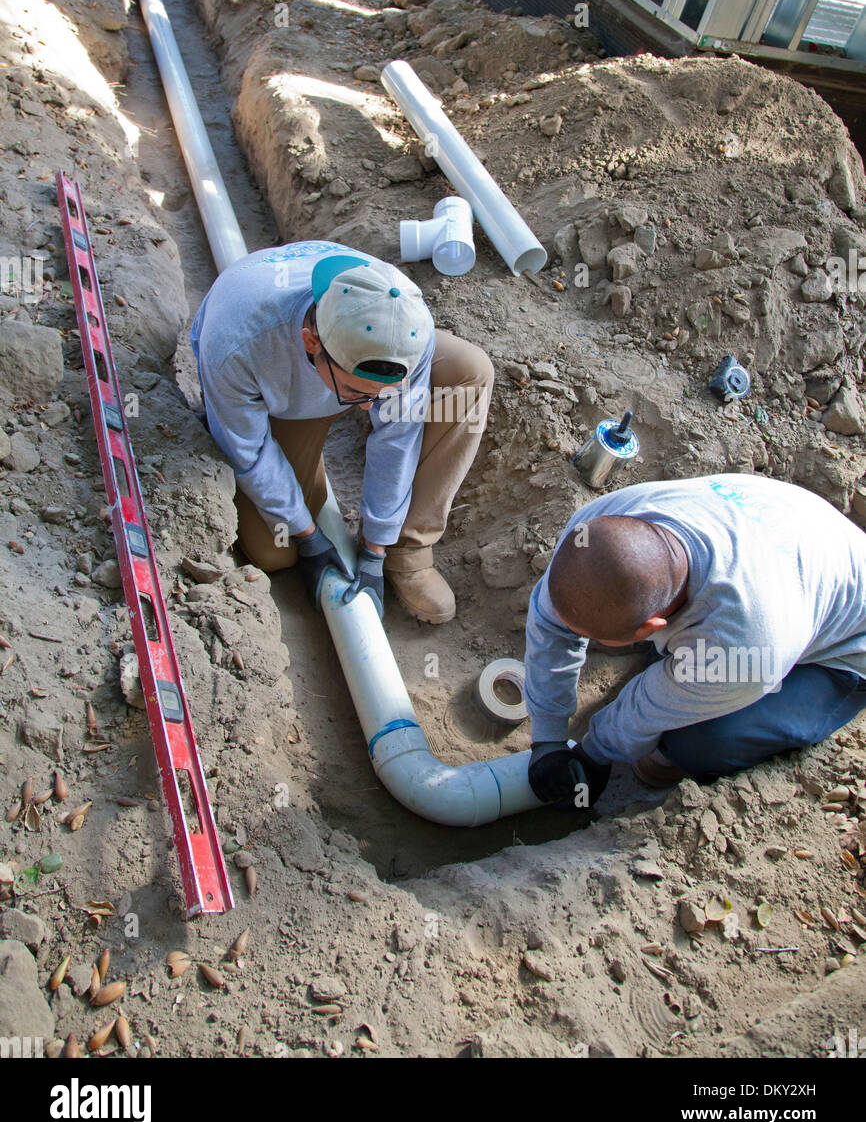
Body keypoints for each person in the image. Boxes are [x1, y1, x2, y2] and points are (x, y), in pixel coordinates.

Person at [189, 240, 493, 624]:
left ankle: (407, 550)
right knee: (274, 550)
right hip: (282, 388)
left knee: (468, 371)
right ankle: (306, 480)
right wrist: (307, 535)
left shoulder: (408, 322)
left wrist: (376, 548)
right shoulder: (239, 348)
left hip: (328, 373)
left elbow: (397, 437)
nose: (369, 408)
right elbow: (248, 453)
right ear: (311, 342)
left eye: (380, 395)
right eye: (357, 393)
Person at [523, 473, 866, 810]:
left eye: (590, 638)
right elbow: (552, 623)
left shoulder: (740, 648)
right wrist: (548, 739)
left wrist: (595, 753)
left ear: (651, 626)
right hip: (795, 540)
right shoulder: (591, 532)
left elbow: (646, 708)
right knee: (688, 666)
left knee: (697, 743)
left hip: (847, 647)